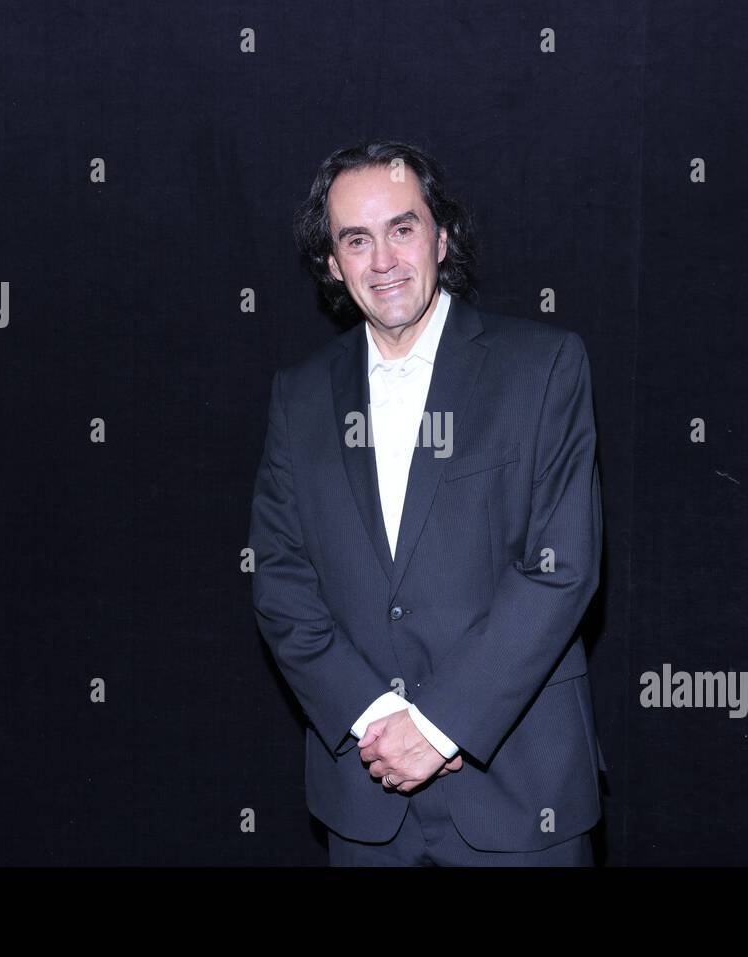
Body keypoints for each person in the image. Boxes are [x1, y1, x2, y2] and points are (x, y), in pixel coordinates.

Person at [249, 139, 607, 865]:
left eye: (402, 228)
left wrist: (441, 725)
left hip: (519, 788)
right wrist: (377, 718)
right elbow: (281, 579)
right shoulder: (299, 397)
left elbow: (563, 568)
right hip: (365, 790)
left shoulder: (543, 367)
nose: (382, 260)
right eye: (356, 239)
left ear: (442, 236)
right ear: (331, 262)